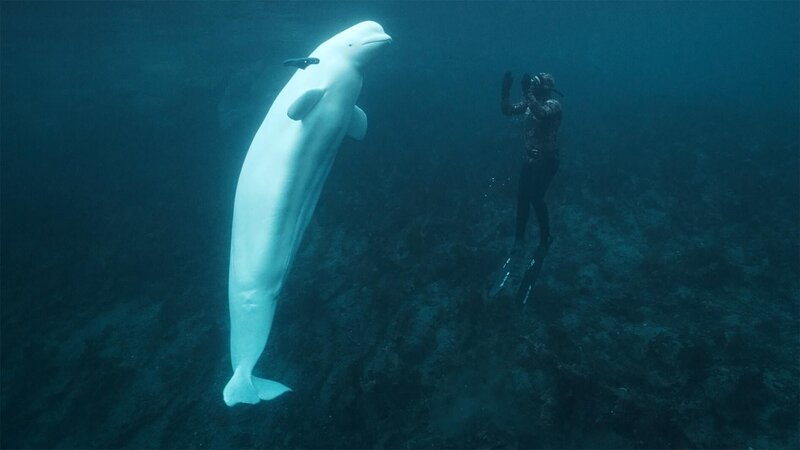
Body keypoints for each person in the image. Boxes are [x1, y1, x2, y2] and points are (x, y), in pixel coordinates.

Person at [501, 71, 562, 255]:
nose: (533, 87)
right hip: (530, 159)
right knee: (522, 198)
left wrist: (527, 91)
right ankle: (519, 239)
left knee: (536, 197)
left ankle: (545, 238)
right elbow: (508, 111)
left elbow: (541, 113)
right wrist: (505, 91)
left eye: (536, 84)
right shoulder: (530, 102)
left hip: (548, 160)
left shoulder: (554, 104)